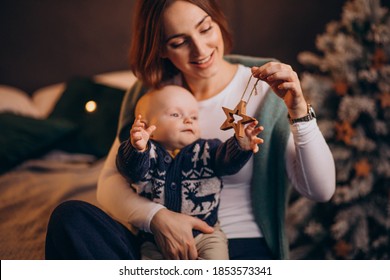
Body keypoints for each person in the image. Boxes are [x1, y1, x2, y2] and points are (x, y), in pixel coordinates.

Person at [45, 0, 336, 260]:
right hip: (156, 243)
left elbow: (321, 190)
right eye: (179, 41)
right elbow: (110, 184)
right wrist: (157, 218)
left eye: (205, 29)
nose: (200, 49)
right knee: (70, 219)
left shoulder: (265, 85)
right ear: (160, 48)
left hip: (238, 248)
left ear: (218, 22)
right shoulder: (149, 94)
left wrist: (299, 111)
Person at [116, 85, 263, 259]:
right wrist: (137, 149)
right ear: (148, 128)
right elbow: (132, 171)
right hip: (155, 238)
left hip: (206, 234)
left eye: (194, 117)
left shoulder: (208, 149)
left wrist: (241, 146)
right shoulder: (150, 154)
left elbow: (227, 163)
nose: (188, 120)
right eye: (175, 114)